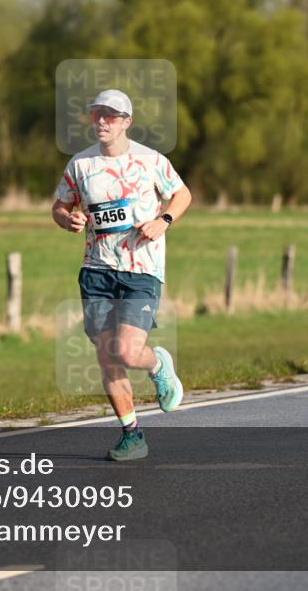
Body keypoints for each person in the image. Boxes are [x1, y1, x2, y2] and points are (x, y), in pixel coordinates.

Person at [53, 89, 193, 461]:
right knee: (106, 355)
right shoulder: (80, 165)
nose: (102, 120)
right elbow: (59, 205)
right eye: (97, 113)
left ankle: (158, 363)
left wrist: (163, 221)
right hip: (95, 269)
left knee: (128, 352)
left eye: (111, 115)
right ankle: (132, 434)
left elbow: (182, 195)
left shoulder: (150, 160)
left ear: (126, 121)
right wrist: (69, 218)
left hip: (140, 270)